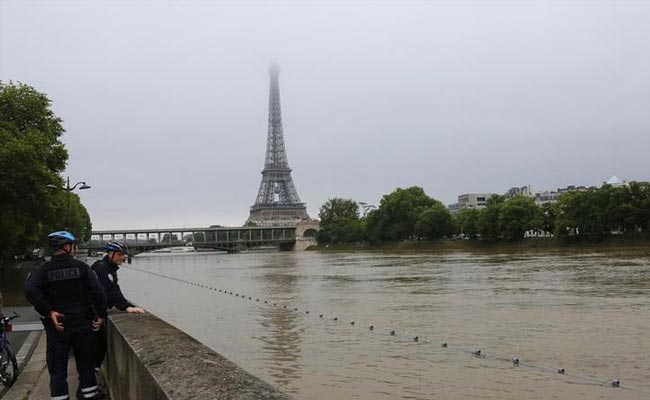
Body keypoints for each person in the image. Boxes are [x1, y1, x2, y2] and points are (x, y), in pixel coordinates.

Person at [25, 231, 107, 400]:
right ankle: (90, 396)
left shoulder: (43, 270)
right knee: (86, 367)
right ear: (67, 247)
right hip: (83, 325)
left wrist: (49, 311)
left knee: (57, 371)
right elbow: (99, 292)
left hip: (58, 327)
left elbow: (30, 290)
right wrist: (101, 315)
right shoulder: (82, 267)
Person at [91, 241, 144, 371]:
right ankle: (89, 382)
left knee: (98, 348)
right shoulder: (102, 269)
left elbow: (115, 289)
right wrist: (126, 307)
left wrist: (127, 304)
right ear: (110, 254)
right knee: (97, 348)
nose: (122, 257)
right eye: (120, 254)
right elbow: (110, 290)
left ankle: (90, 379)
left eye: (123, 254)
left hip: (95, 311)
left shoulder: (106, 267)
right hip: (91, 313)